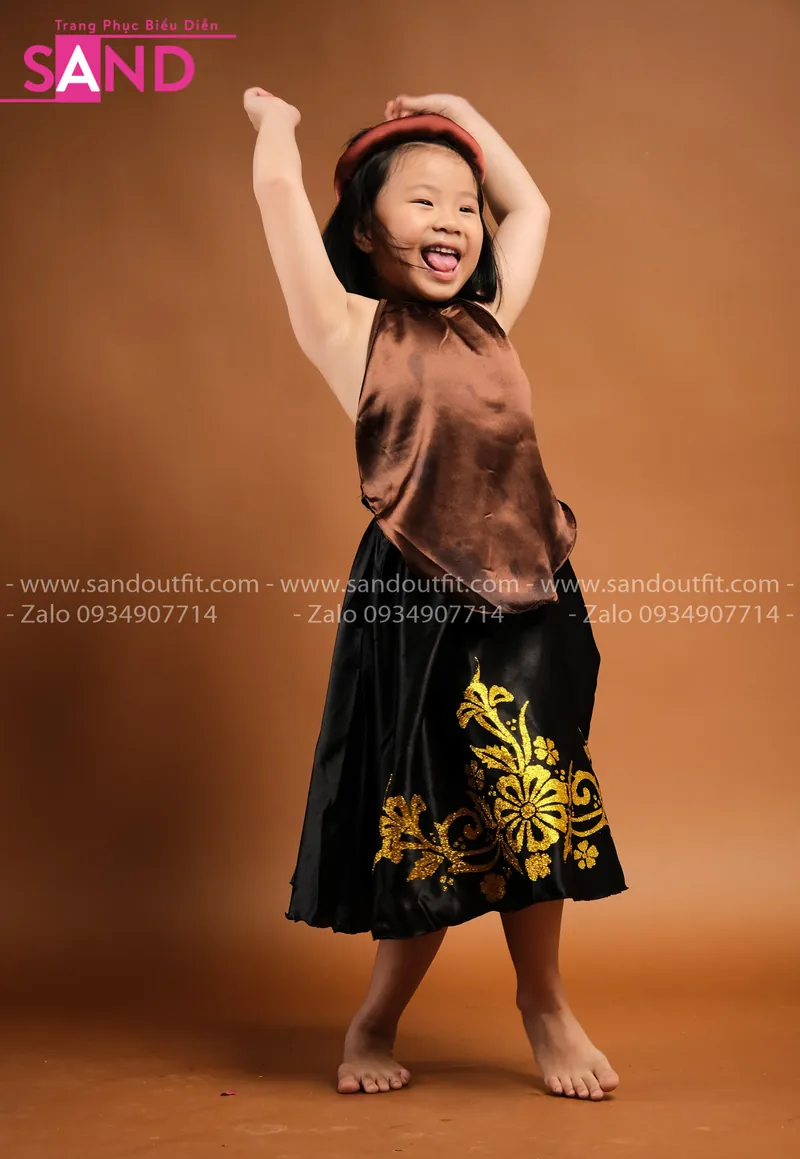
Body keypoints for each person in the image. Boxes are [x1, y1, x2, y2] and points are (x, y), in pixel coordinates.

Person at [243, 87, 628, 1102]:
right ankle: (374, 1019)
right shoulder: (346, 326)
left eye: (463, 204)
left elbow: (531, 208)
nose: (453, 220)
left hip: (532, 588)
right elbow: (281, 201)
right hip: (418, 601)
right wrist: (276, 128)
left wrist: (461, 113)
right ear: (366, 231)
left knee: (533, 794)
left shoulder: (489, 320)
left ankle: (542, 1000)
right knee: (425, 811)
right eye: (422, 201)